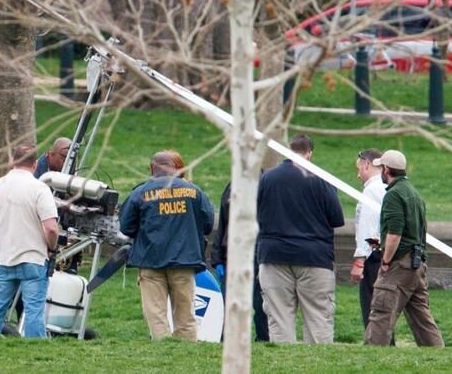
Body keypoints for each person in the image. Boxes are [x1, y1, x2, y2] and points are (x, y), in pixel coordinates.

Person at [257, 134, 344, 344]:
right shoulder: (321, 180)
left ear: (288, 150)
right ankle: (317, 365)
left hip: (273, 255)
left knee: (278, 317)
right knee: (318, 317)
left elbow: (255, 213)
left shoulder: (267, 178)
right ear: (310, 153)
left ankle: (284, 364)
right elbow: (337, 218)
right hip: (314, 256)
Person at [119, 151, 214, 341]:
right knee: (186, 315)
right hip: (184, 262)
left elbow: (126, 227)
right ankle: (186, 353)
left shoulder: (140, 192)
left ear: (152, 169)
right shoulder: (194, 191)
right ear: (177, 168)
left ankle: (163, 351)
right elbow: (209, 224)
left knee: (156, 315)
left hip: (150, 262)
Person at [0, 145, 59, 339]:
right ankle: (35, 347)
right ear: (35, 163)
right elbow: (51, 228)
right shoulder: (39, 188)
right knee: (33, 309)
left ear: (12, 161)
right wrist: (51, 246)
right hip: (33, 257)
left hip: (4, 258)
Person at [364, 150, 444, 347]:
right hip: (417, 264)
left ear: (387, 170)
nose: (380, 172)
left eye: (381, 168)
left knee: (381, 313)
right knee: (421, 316)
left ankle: (370, 356)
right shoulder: (413, 193)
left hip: (399, 263)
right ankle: (439, 354)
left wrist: (386, 261)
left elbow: (394, 233)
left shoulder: (394, 194)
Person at [211, 183, 269, 342]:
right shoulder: (232, 187)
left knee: (261, 304)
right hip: (233, 255)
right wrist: (217, 259)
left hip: (258, 254)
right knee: (229, 304)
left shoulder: (267, 184)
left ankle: (264, 339)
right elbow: (223, 224)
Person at [352, 149, 387, 332]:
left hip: (374, 254)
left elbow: (368, 228)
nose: (358, 175)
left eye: (359, 169)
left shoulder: (372, 190)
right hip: (386, 251)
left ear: (367, 164)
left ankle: (375, 340)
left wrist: (360, 259)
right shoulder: (386, 187)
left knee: (371, 302)